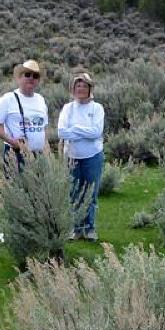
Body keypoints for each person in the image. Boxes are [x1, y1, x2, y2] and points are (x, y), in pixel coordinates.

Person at [58, 72, 105, 241]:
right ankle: (76, 228)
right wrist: (83, 131)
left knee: (90, 193)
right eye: (78, 86)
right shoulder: (68, 108)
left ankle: (90, 228)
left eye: (84, 86)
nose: (81, 89)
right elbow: (62, 131)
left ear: (89, 88)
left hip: (92, 156)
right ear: (73, 89)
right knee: (74, 193)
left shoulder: (97, 108)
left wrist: (75, 129)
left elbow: (96, 132)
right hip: (72, 157)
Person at [0, 59, 48, 172]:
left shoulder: (41, 99)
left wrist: (46, 151)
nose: (31, 78)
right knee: (16, 188)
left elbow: (43, 127)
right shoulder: (8, 98)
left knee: (37, 188)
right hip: (16, 154)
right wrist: (11, 141)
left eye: (35, 76)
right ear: (20, 77)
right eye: (27, 74)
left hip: (39, 155)